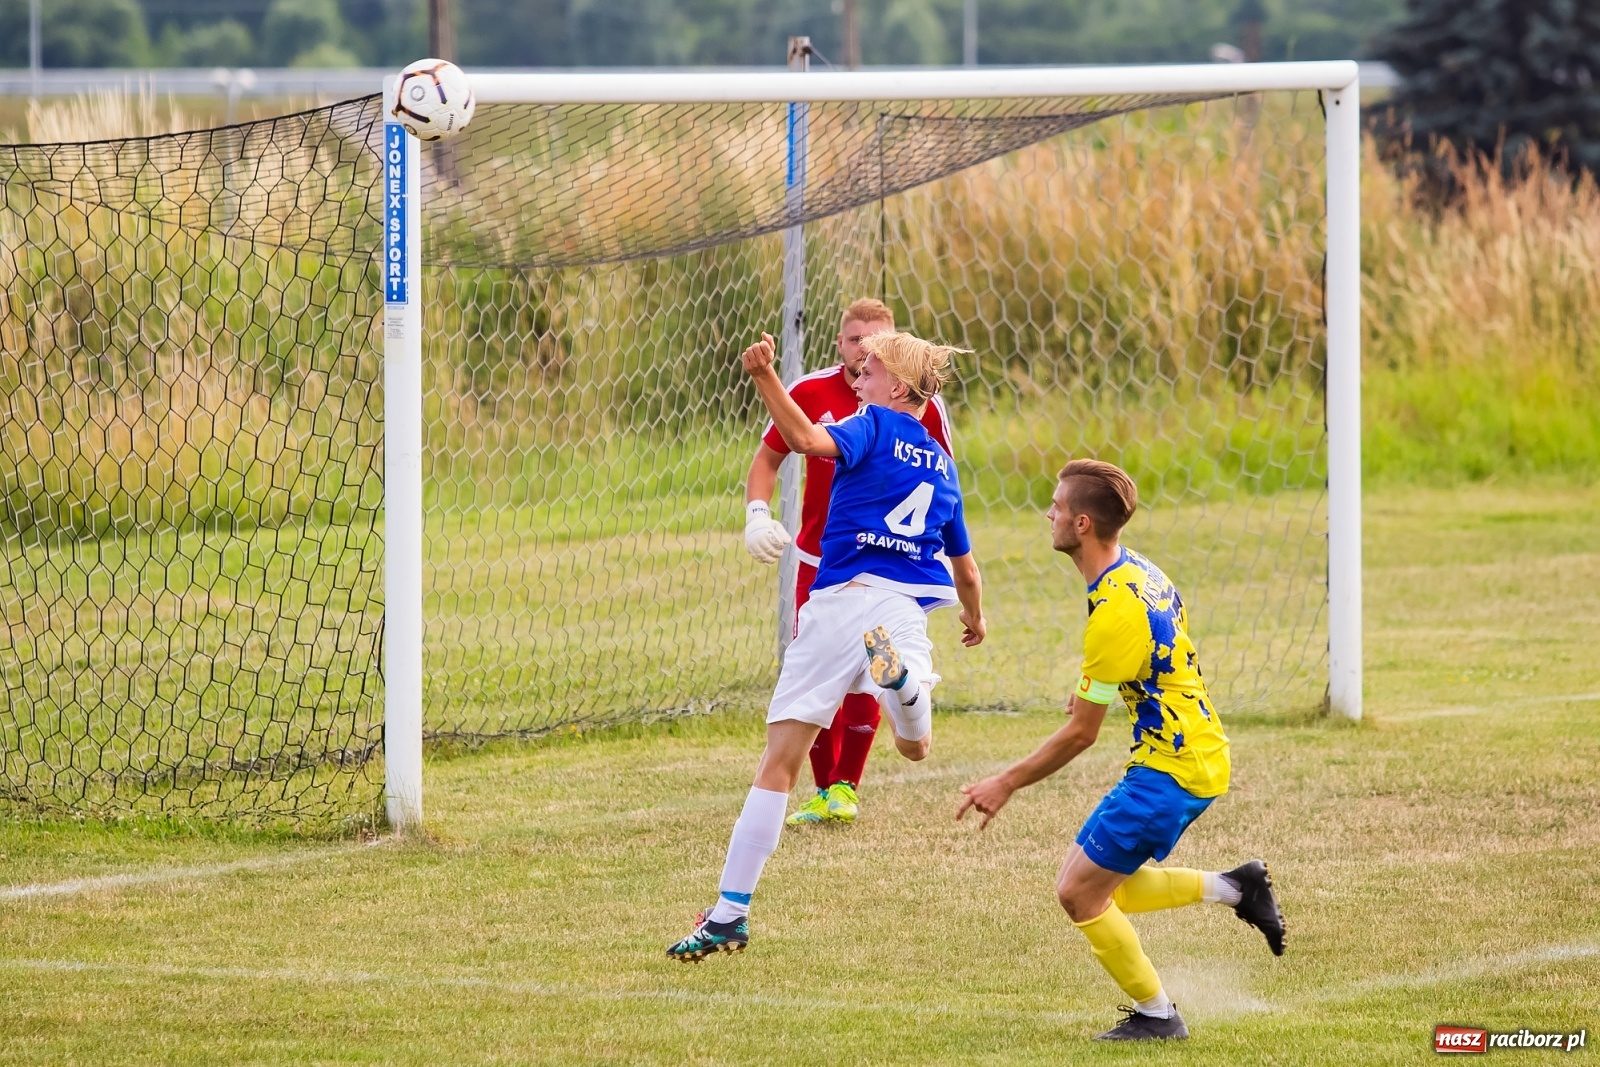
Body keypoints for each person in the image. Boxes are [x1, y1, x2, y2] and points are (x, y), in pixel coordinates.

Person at [668, 330, 985, 962]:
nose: (857, 378)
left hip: (836, 604)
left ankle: (731, 911)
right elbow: (967, 568)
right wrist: (975, 621)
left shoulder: (869, 424)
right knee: (917, 746)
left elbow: (810, 441)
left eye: (868, 370)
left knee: (778, 764)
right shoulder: (942, 466)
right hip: (899, 609)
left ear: (897, 387)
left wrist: (764, 378)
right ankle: (906, 688)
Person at [956, 459, 1284, 1041]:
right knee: (1100, 885)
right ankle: (1238, 887)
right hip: (1192, 752)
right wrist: (1095, 689)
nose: (1048, 514)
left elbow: (1082, 733)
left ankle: (1159, 1017)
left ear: (1082, 524)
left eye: (1056, 507)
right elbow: (1158, 655)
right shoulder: (1139, 572)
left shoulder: (1114, 609)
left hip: (1172, 769)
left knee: (1078, 893)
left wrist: (1004, 782)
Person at [743, 298, 955, 828]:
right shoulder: (813, 390)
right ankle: (822, 786)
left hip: (878, 564)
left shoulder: (897, 412)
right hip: (820, 556)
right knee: (837, 671)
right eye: (856, 339)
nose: (865, 351)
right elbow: (772, 455)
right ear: (840, 343)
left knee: (861, 676)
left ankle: (845, 787)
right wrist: (756, 514)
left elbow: (941, 473)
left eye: (876, 341)